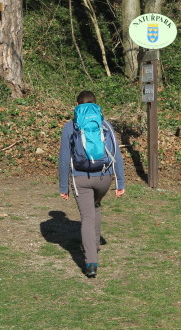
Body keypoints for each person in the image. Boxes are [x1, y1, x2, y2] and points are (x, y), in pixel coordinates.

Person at [58, 90, 125, 278]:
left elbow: (64, 158)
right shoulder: (105, 125)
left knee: (87, 216)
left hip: (81, 178)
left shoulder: (70, 127)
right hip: (105, 177)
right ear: (96, 105)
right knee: (95, 205)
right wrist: (121, 182)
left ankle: (91, 262)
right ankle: (94, 245)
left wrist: (64, 186)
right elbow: (116, 155)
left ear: (77, 106)